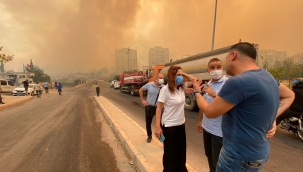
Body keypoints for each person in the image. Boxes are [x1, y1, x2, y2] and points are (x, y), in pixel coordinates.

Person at [192, 42, 294, 171]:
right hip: (259, 153)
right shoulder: (267, 76)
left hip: (238, 156)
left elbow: (210, 112)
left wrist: (196, 92)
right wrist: (272, 117)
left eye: (226, 59)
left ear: (233, 55)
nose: (225, 63)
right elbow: (289, 95)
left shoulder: (238, 82)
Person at [185, 58, 228, 172]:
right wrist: (200, 121)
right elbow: (203, 104)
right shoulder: (208, 84)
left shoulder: (228, 84)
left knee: (218, 160)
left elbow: (230, 105)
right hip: (207, 128)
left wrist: (214, 94)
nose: (216, 70)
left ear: (223, 68)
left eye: (218, 67)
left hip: (220, 131)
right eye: (212, 68)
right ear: (207, 70)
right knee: (209, 155)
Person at [154, 66, 188, 172]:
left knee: (181, 151)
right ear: (171, 76)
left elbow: (195, 80)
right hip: (169, 127)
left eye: (181, 75)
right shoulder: (165, 89)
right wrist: (158, 127)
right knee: (170, 153)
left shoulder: (182, 87)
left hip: (181, 124)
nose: (180, 77)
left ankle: (181, 169)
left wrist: (184, 74)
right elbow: (159, 108)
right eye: (178, 75)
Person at [139, 73, 164, 143]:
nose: (162, 79)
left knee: (162, 123)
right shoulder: (149, 85)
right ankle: (149, 136)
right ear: (156, 78)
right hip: (149, 107)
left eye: (163, 78)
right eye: (161, 78)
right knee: (148, 123)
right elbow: (140, 90)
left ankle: (162, 137)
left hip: (158, 108)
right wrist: (142, 100)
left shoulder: (163, 87)